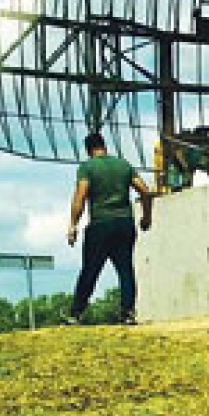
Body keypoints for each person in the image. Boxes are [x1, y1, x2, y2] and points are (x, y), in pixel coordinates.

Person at [66, 132, 153, 325]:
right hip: (124, 224)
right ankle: (128, 313)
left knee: (90, 270)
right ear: (104, 146)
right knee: (125, 270)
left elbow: (80, 197)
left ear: (88, 150)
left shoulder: (87, 168)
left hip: (100, 225)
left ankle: (76, 313)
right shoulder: (123, 165)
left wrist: (73, 225)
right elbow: (145, 191)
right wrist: (147, 217)